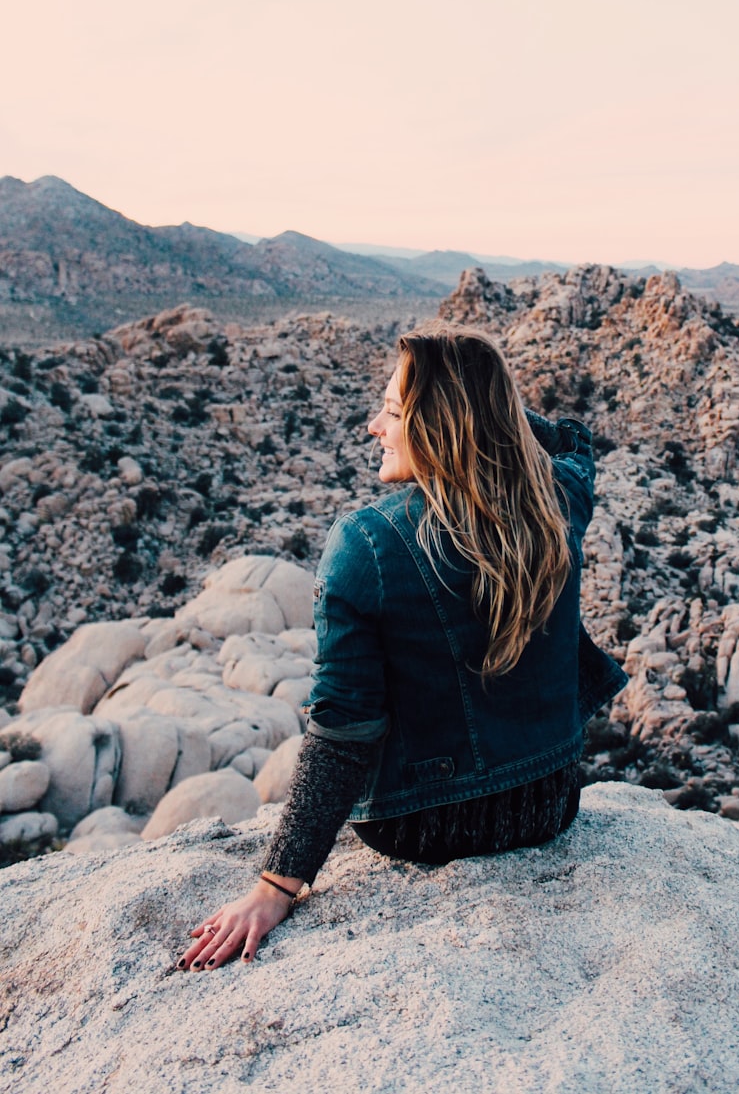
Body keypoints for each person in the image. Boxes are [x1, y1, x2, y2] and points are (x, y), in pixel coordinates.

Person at [178, 323, 626, 972]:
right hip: (549, 800)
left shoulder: (365, 546)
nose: (373, 426)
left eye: (392, 411)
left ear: (441, 425)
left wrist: (275, 886)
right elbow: (573, 440)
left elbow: (343, 729)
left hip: (421, 825)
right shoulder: (557, 500)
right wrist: (486, 400)